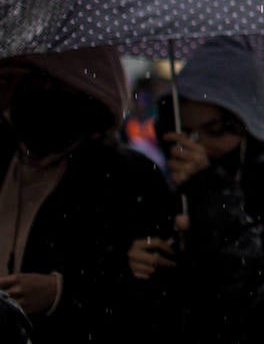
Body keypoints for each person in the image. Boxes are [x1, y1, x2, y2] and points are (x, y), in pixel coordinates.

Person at [126, 37, 264, 343]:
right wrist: (140, 268)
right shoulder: (173, 198)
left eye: (216, 131)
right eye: (188, 134)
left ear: (254, 128)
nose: (200, 147)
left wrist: (216, 207)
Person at [0, 47, 171, 340]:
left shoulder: (125, 177)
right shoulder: (4, 156)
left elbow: (151, 291)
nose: (38, 93)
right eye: (28, 80)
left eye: (53, 83)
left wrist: (61, 294)